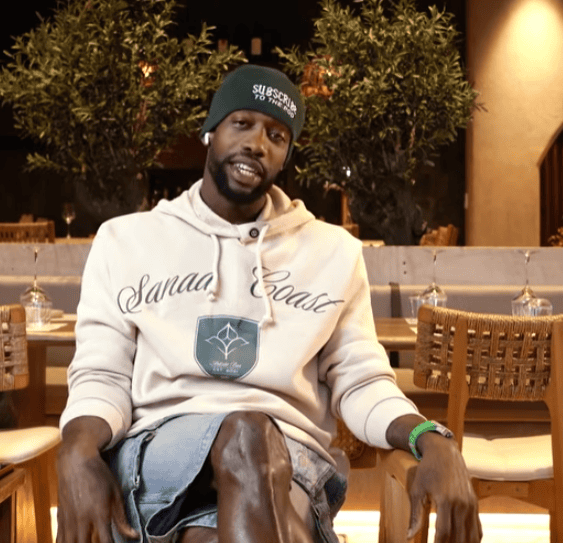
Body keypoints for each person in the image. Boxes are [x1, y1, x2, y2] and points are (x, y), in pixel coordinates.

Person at [56, 64, 481, 543]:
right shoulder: (126, 241)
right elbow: (102, 374)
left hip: (293, 461)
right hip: (160, 451)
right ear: (210, 131)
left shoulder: (333, 252)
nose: (257, 143)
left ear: (285, 156)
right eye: (242, 123)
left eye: (276, 136)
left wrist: (429, 437)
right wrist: (77, 448)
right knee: (247, 435)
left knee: (221, 513)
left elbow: (362, 381)